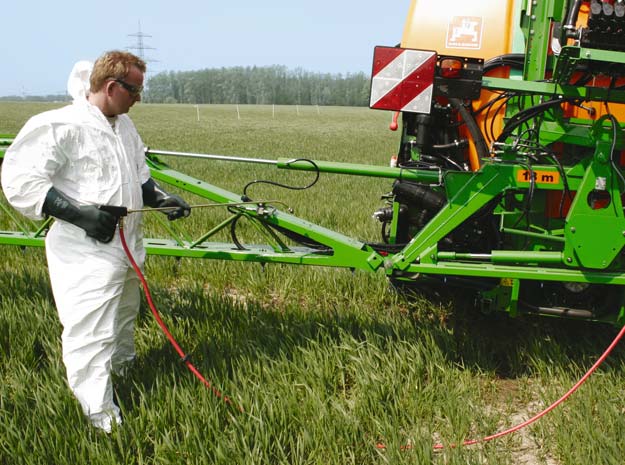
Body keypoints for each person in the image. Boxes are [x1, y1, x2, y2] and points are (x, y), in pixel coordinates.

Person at [1, 50, 191, 432]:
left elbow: (139, 175)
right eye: (134, 90)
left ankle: (122, 371)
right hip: (86, 252)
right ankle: (100, 416)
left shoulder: (124, 127)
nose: (139, 97)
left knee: (122, 316)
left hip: (127, 247)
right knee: (90, 331)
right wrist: (80, 215)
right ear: (110, 86)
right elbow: (21, 181)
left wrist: (161, 198)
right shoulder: (59, 125)